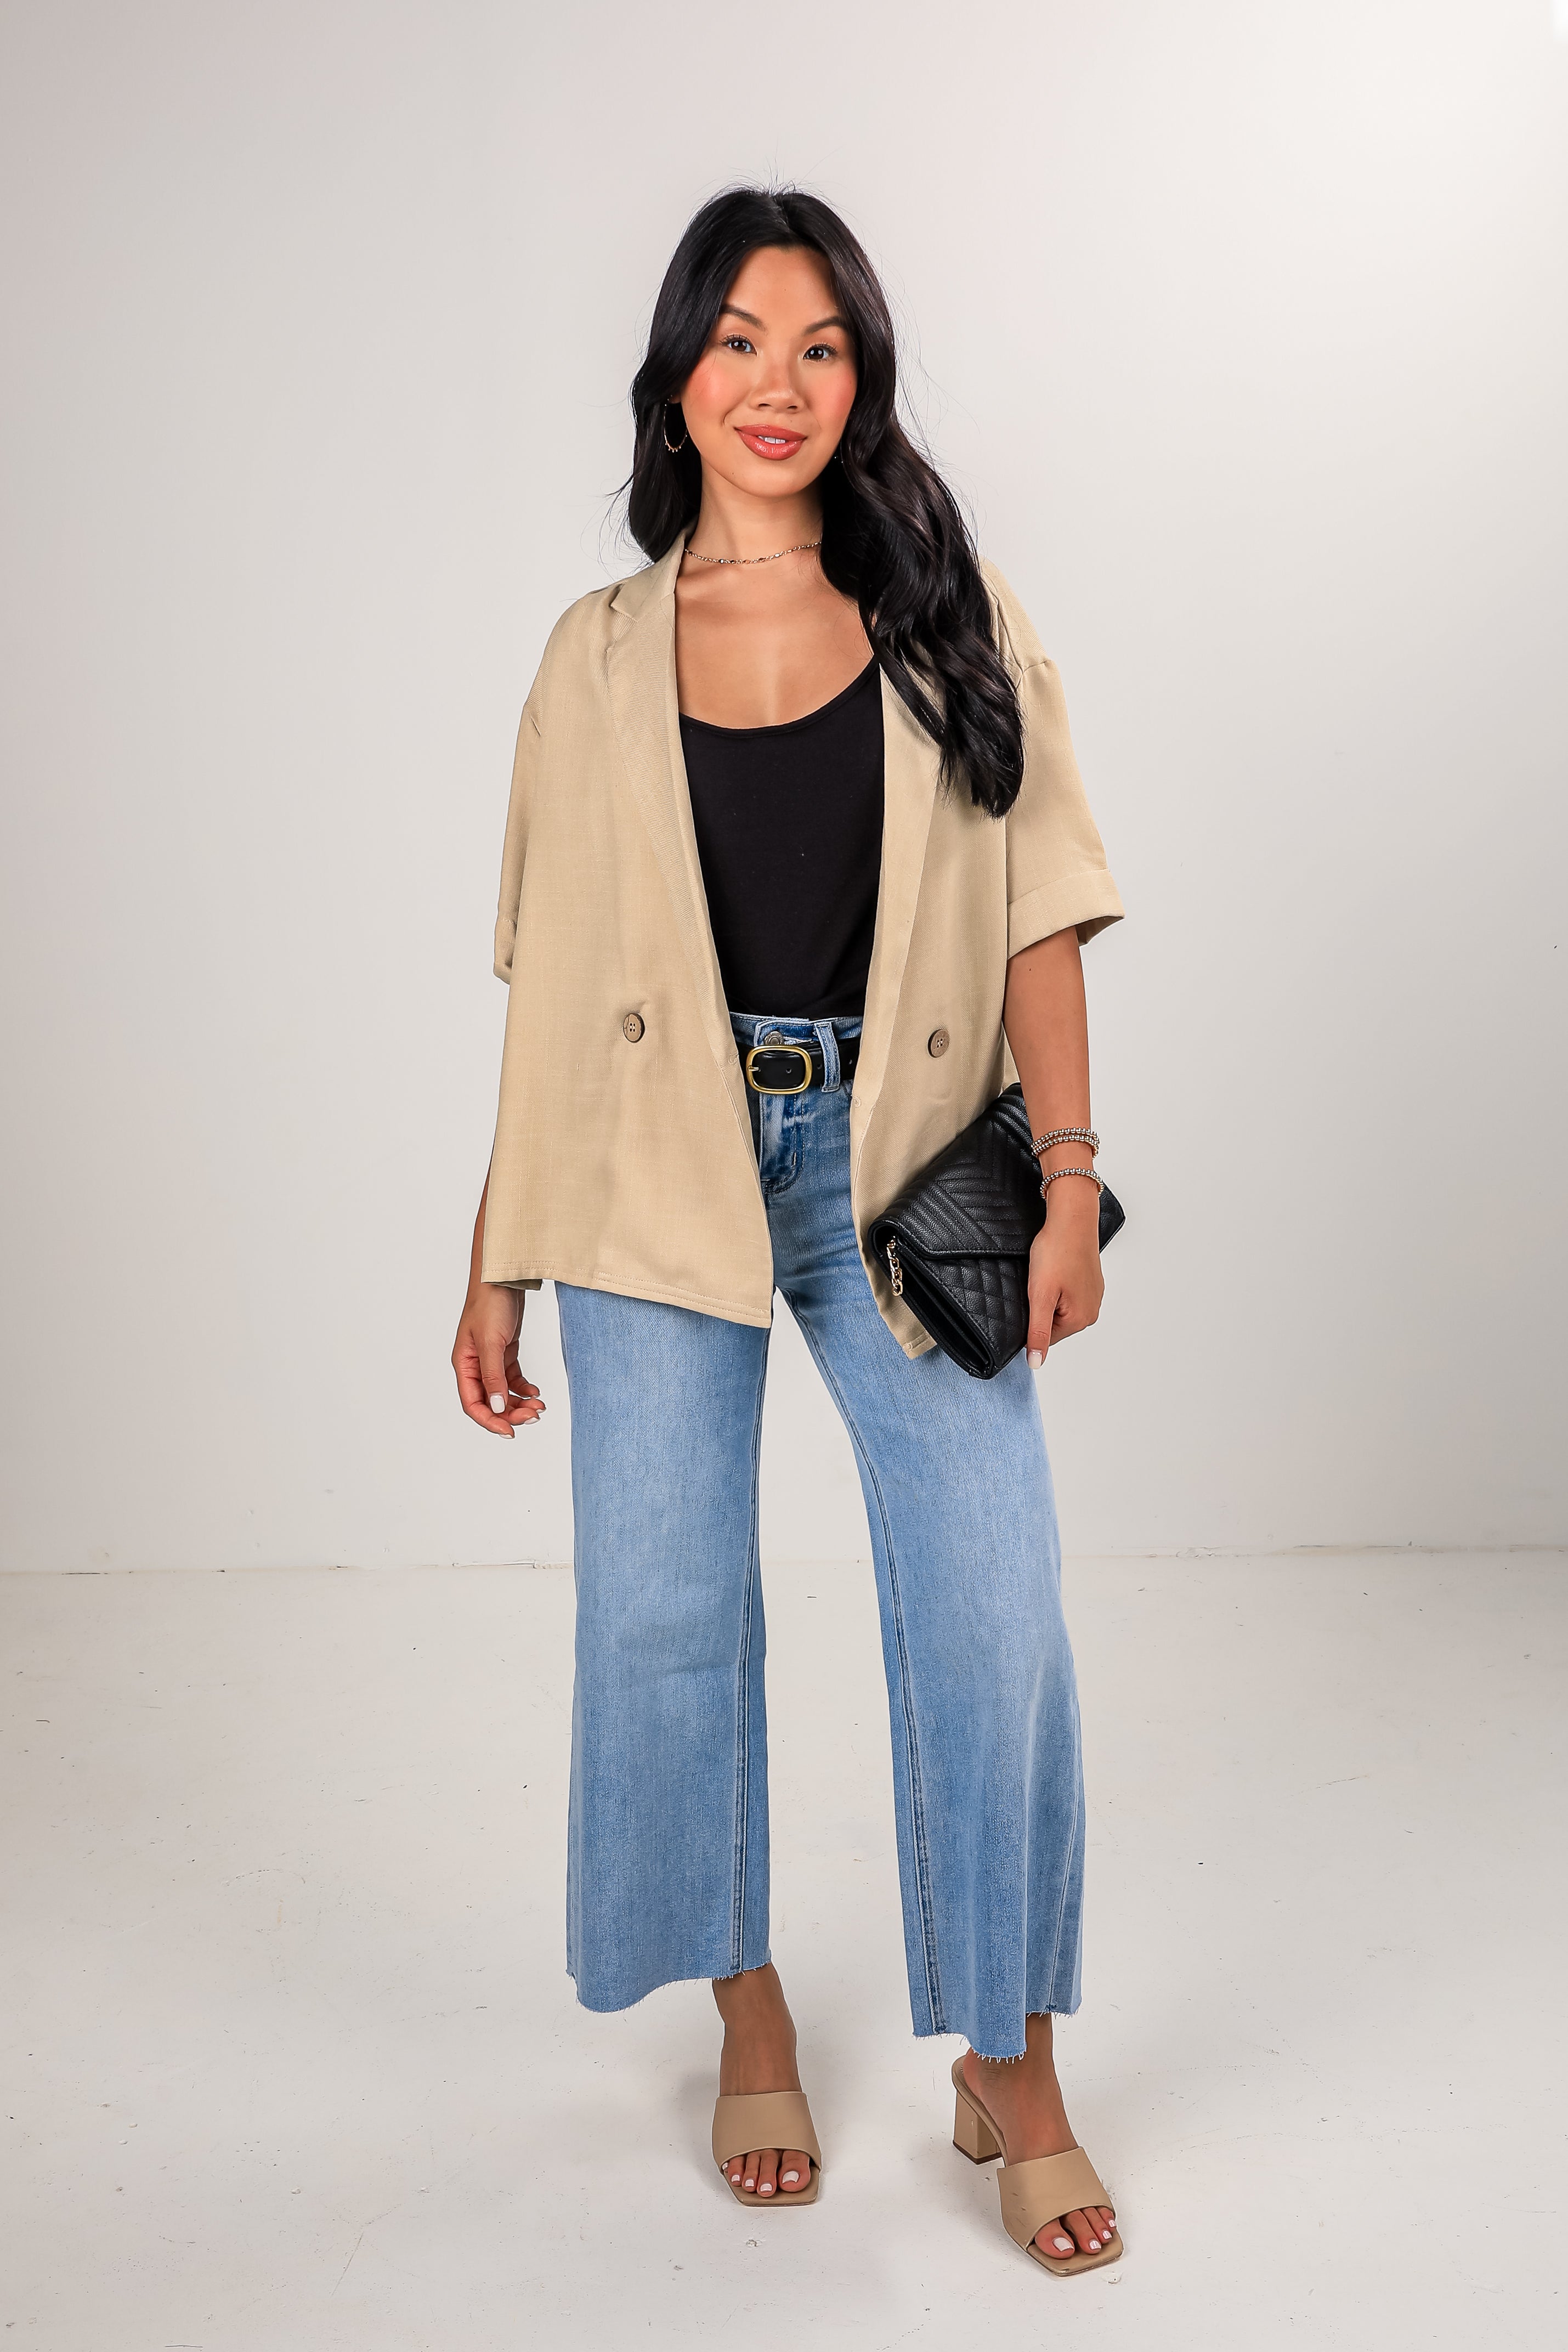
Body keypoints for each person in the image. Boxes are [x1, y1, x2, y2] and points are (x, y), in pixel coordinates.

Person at [451, 186, 1126, 2278]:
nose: (776, 383)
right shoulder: (594, 658)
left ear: (864, 379)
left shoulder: (950, 610)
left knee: (992, 1606)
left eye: (819, 345)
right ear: (676, 374)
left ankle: (1008, 2062)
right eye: (738, 341)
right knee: (662, 1610)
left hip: (902, 1164)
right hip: (653, 1163)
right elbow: (552, 981)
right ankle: (742, 2000)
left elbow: (1034, 900)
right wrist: (495, 1245)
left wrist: (1075, 1171)